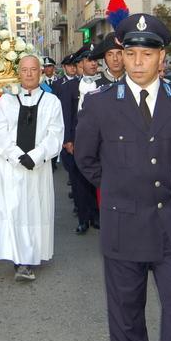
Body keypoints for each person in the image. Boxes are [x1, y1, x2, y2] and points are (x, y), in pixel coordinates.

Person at [75, 13, 171, 341]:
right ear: (121, 56)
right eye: (131, 54)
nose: (138, 62)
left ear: (162, 57)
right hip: (123, 227)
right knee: (126, 318)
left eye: (147, 54)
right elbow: (86, 159)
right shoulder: (99, 104)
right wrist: (118, 189)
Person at [0, 55, 64, 281]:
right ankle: (17, 257)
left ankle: (29, 257)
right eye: (25, 70)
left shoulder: (52, 102)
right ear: (18, 73)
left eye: (33, 70)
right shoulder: (5, 101)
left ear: (41, 72)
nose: (29, 74)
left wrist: (36, 155)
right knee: (12, 210)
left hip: (37, 169)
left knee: (34, 211)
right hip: (10, 168)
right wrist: (17, 156)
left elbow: (55, 133)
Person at [62, 44, 101, 234]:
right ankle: (83, 218)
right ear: (81, 63)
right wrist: (68, 140)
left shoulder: (103, 84)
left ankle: (96, 215)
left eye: (95, 60)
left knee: (96, 179)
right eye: (89, 60)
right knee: (78, 181)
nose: (93, 64)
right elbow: (66, 114)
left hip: (100, 142)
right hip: (76, 141)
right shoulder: (70, 87)